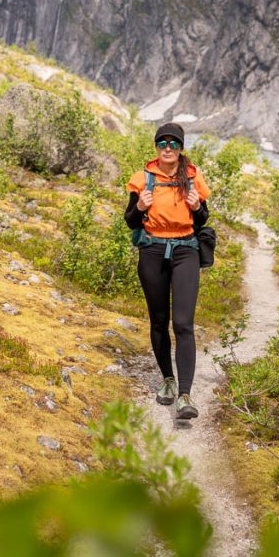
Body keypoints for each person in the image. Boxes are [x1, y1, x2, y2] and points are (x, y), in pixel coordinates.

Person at [124, 122, 210, 420]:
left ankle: (185, 395)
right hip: (152, 251)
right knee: (159, 321)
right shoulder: (142, 179)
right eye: (163, 143)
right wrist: (139, 207)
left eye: (174, 143)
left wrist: (197, 207)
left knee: (183, 323)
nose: (168, 148)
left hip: (186, 251)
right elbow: (130, 221)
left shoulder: (193, 177)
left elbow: (203, 220)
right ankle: (168, 379)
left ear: (181, 148)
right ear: (156, 148)